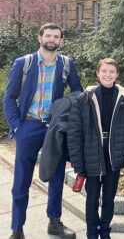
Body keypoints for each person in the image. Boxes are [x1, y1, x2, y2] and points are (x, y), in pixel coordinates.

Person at [3, 23, 82, 239]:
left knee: (56, 176)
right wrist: (17, 127)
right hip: (27, 126)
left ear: (61, 41)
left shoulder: (66, 64)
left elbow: (77, 92)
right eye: (48, 35)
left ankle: (54, 222)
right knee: (21, 179)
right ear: (40, 38)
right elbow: (9, 97)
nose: (52, 39)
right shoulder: (24, 63)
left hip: (54, 127)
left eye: (56, 37)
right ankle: (17, 229)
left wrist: (64, 109)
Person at [67, 58, 124, 239]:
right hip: (92, 154)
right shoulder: (85, 98)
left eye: (111, 72)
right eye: (104, 71)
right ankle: (92, 232)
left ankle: (105, 231)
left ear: (117, 75)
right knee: (92, 198)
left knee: (109, 198)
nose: (108, 75)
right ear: (98, 73)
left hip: (113, 154)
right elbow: (74, 131)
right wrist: (77, 161)